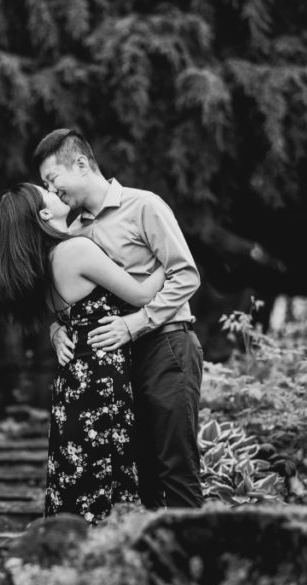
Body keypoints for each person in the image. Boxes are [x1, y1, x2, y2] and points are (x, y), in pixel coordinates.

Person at [34, 128, 205, 509]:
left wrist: (135, 323)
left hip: (166, 346)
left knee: (175, 469)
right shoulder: (73, 230)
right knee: (139, 475)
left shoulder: (144, 205)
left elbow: (186, 274)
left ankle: (194, 565)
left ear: (80, 164)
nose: (51, 189)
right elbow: (78, 295)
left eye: (52, 179)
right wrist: (57, 328)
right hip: (118, 364)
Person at [0, 183, 167, 524]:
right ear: (44, 213)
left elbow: (64, 315)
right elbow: (143, 294)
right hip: (101, 378)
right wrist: (168, 258)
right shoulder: (76, 251)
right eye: (47, 191)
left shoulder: (39, 264)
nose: (56, 190)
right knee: (108, 480)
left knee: (76, 482)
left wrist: (56, 331)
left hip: (72, 382)